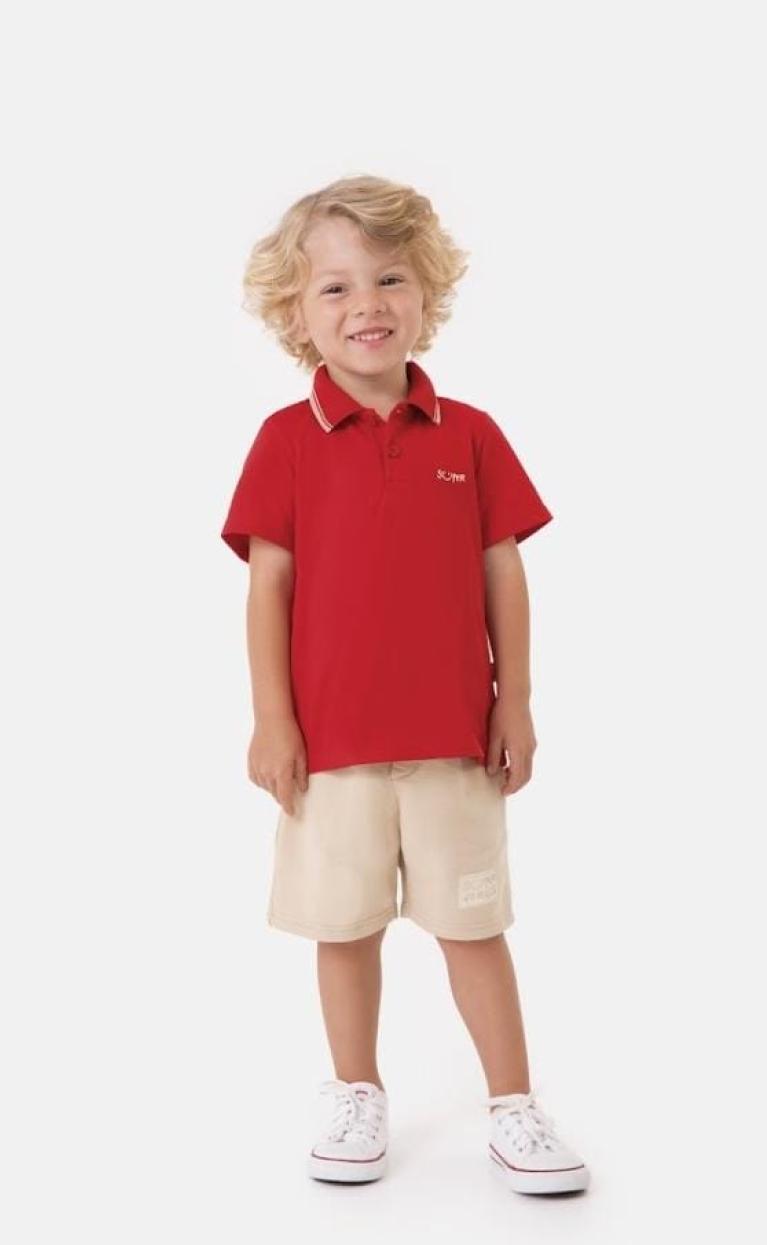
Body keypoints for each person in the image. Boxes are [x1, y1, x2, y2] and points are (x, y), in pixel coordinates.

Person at [219, 174, 589, 1194]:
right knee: (342, 928)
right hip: (330, 748)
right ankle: (355, 1090)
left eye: (389, 279)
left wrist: (515, 698)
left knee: (474, 925)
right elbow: (268, 588)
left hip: (452, 740)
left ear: (427, 290)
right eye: (334, 288)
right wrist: (271, 720)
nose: (366, 306)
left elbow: (502, 573)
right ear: (295, 312)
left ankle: (512, 1104)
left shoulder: (470, 434)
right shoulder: (284, 441)